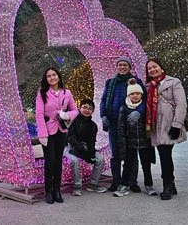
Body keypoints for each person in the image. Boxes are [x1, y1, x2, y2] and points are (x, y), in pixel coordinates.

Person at [99, 56, 145, 192]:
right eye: (120, 65)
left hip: (130, 122)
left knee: (131, 152)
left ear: (130, 67)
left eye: (125, 65)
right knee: (115, 153)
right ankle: (116, 181)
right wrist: (103, 115)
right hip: (113, 122)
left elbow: (144, 100)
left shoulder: (136, 82)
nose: (122, 67)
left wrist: (139, 112)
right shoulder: (110, 82)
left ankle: (132, 181)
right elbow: (103, 100)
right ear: (117, 67)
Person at [145, 57, 188, 200]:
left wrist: (176, 125)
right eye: (149, 68)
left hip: (168, 124)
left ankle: (167, 186)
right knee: (165, 155)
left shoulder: (173, 82)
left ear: (161, 67)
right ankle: (171, 183)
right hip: (155, 125)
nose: (152, 69)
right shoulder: (149, 86)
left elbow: (181, 104)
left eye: (154, 66)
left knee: (165, 155)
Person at [36, 67, 79, 204]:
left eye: (54, 75)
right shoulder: (42, 93)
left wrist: (66, 115)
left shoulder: (67, 93)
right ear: (46, 79)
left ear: (58, 76)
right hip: (48, 131)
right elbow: (39, 115)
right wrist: (43, 134)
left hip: (61, 130)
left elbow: (75, 110)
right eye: (49, 76)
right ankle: (48, 191)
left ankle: (57, 190)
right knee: (50, 162)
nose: (52, 77)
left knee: (58, 161)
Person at [114, 79, 157, 197]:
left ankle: (149, 185)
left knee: (146, 164)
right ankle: (124, 185)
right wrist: (122, 142)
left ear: (141, 94)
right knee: (128, 164)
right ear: (128, 95)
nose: (135, 96)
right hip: (130, 142)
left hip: (144, 141)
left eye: (137, 93)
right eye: (132, 93)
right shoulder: (124, 108)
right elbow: (121, 128)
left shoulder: (144, 107)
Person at [65, 98, 107, 196]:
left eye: (90, 108)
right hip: (71, 148)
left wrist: (90, 154)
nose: (86, 110)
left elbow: (92, 141)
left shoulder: (93, 125)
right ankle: (77, 186)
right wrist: (82, 150)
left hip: (86, 148)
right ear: (80, 108)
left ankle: (93, 184)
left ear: (92, 111)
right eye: (84, 107)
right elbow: (71, 137)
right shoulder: (73, 121)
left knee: (100, 159)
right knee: (74, 161)